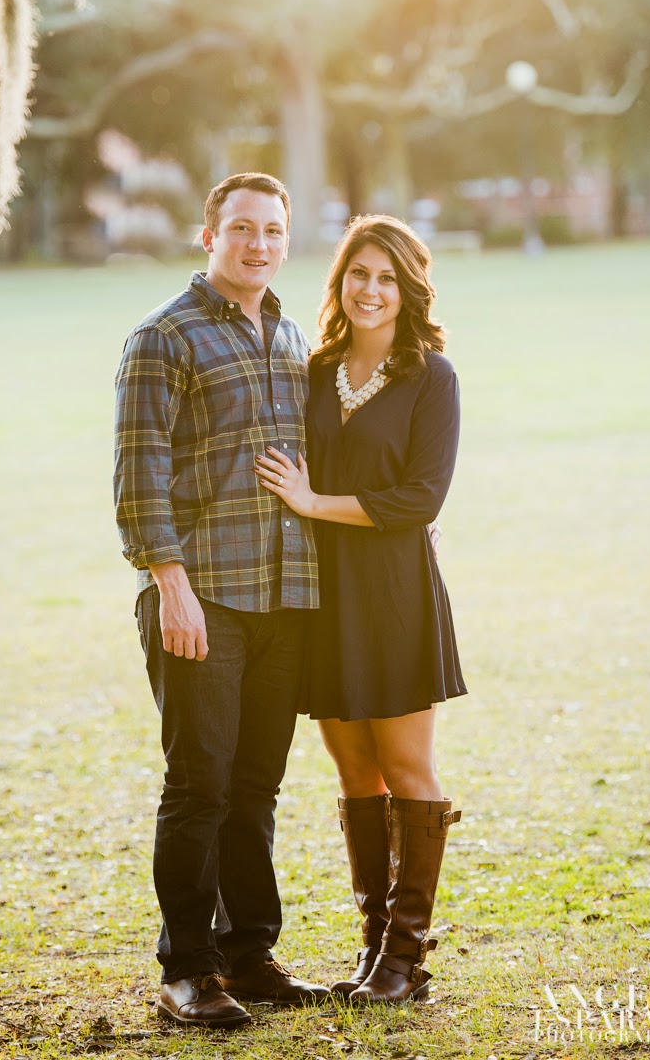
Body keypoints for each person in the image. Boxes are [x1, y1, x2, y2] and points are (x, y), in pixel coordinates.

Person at [114, 172, 329, 1029]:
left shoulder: (290, 333)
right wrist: (169, 586)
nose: (258, 244)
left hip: (285, 596)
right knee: (199, 785)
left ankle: (249, 953)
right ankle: (186, 970)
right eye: (241, 228)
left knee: (255, 787)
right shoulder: (163, 336)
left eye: (272, 230)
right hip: (201, 595)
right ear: (209, 236)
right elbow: (138, 476)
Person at [255, 214, 466, 1005]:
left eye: (386, 278)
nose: (370, 290)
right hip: (321, 595)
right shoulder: (312, 371)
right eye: (358, 274)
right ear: (338, 281)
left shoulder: (431, 377)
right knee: (355, 774)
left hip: (395, 593)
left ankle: (406, 962)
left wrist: (313, 503)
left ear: (409, 291)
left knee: (406, 767)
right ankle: (375, 949)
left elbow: (420, 498)